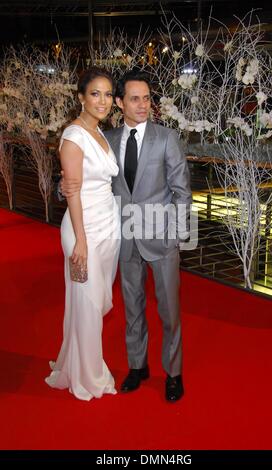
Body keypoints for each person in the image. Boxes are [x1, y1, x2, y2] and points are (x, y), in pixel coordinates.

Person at [62, 69, 191, 402]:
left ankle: (173, 373)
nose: (142, 105)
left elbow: (182, 192)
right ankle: (138, 366)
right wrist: (65, 189)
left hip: (162, 238)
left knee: (169, 311)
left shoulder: (166, 138)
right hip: (123, 237)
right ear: (119, 103)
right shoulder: (110, 139)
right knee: (132, 308)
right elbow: (88, 181)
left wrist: (179, 238)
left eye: (147, 98)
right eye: (134, 99)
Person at [45, 67, 120, 401]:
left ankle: (75, 363)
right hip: (83, 230)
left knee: (95, 300)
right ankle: (89, 376)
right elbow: (72, 192)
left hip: (109, 226)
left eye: (107, 94)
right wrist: (81, 241)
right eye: (95, 94)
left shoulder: (100, 132)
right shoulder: (74, 137)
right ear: (81, 97)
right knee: (88, 302)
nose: (102, 101)